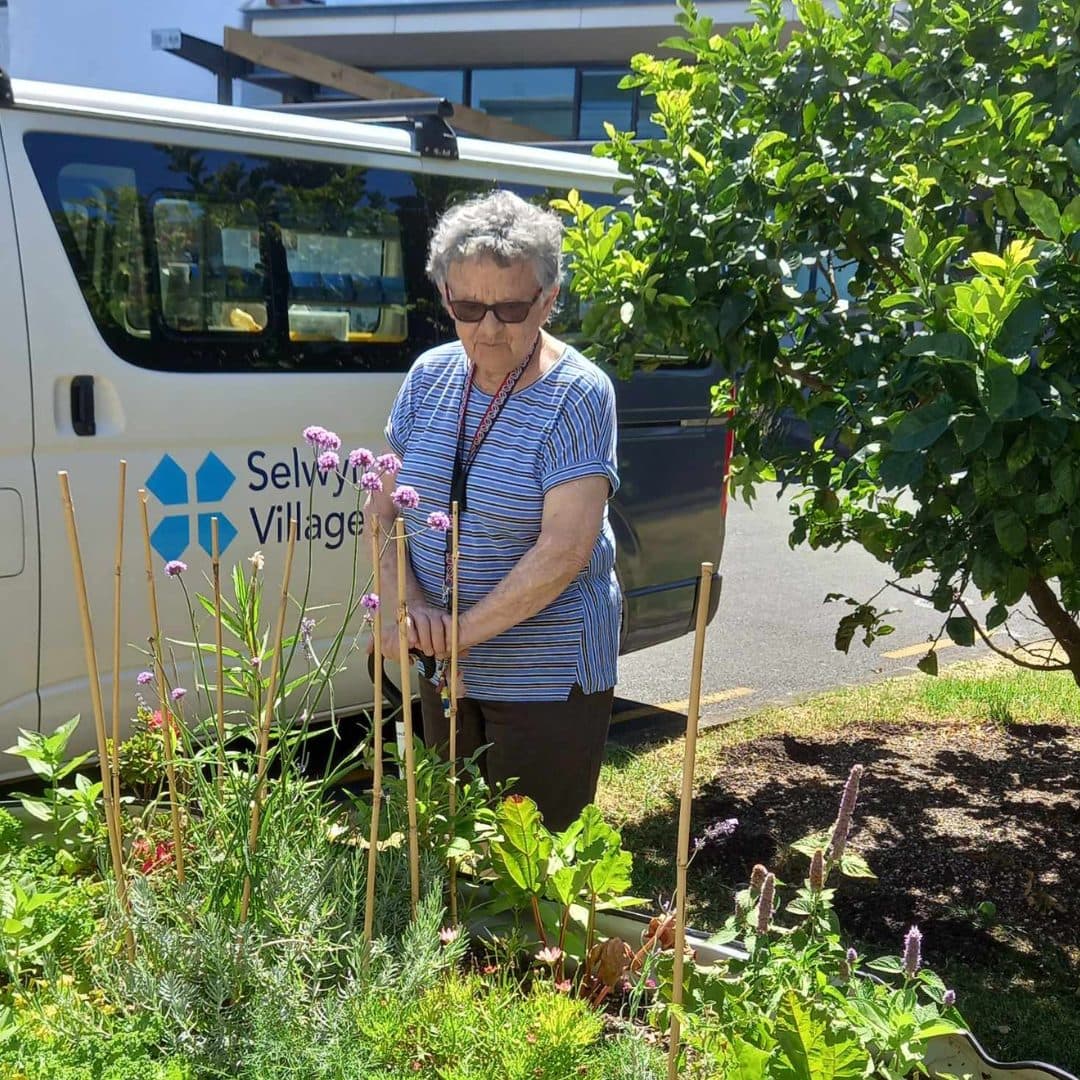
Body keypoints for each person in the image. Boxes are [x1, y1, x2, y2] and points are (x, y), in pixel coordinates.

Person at [371, 189, 620, 831]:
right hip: (444, 662)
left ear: (548, 298)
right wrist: (408, 608)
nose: (486, 328)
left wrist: (457, 632)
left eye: (510, 309)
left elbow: (565, 551)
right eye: (467, 306)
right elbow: (382, 512)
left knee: (530, 861)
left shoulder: (580, 394)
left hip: (546, 674)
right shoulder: (428, 375)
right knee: (448, 840)